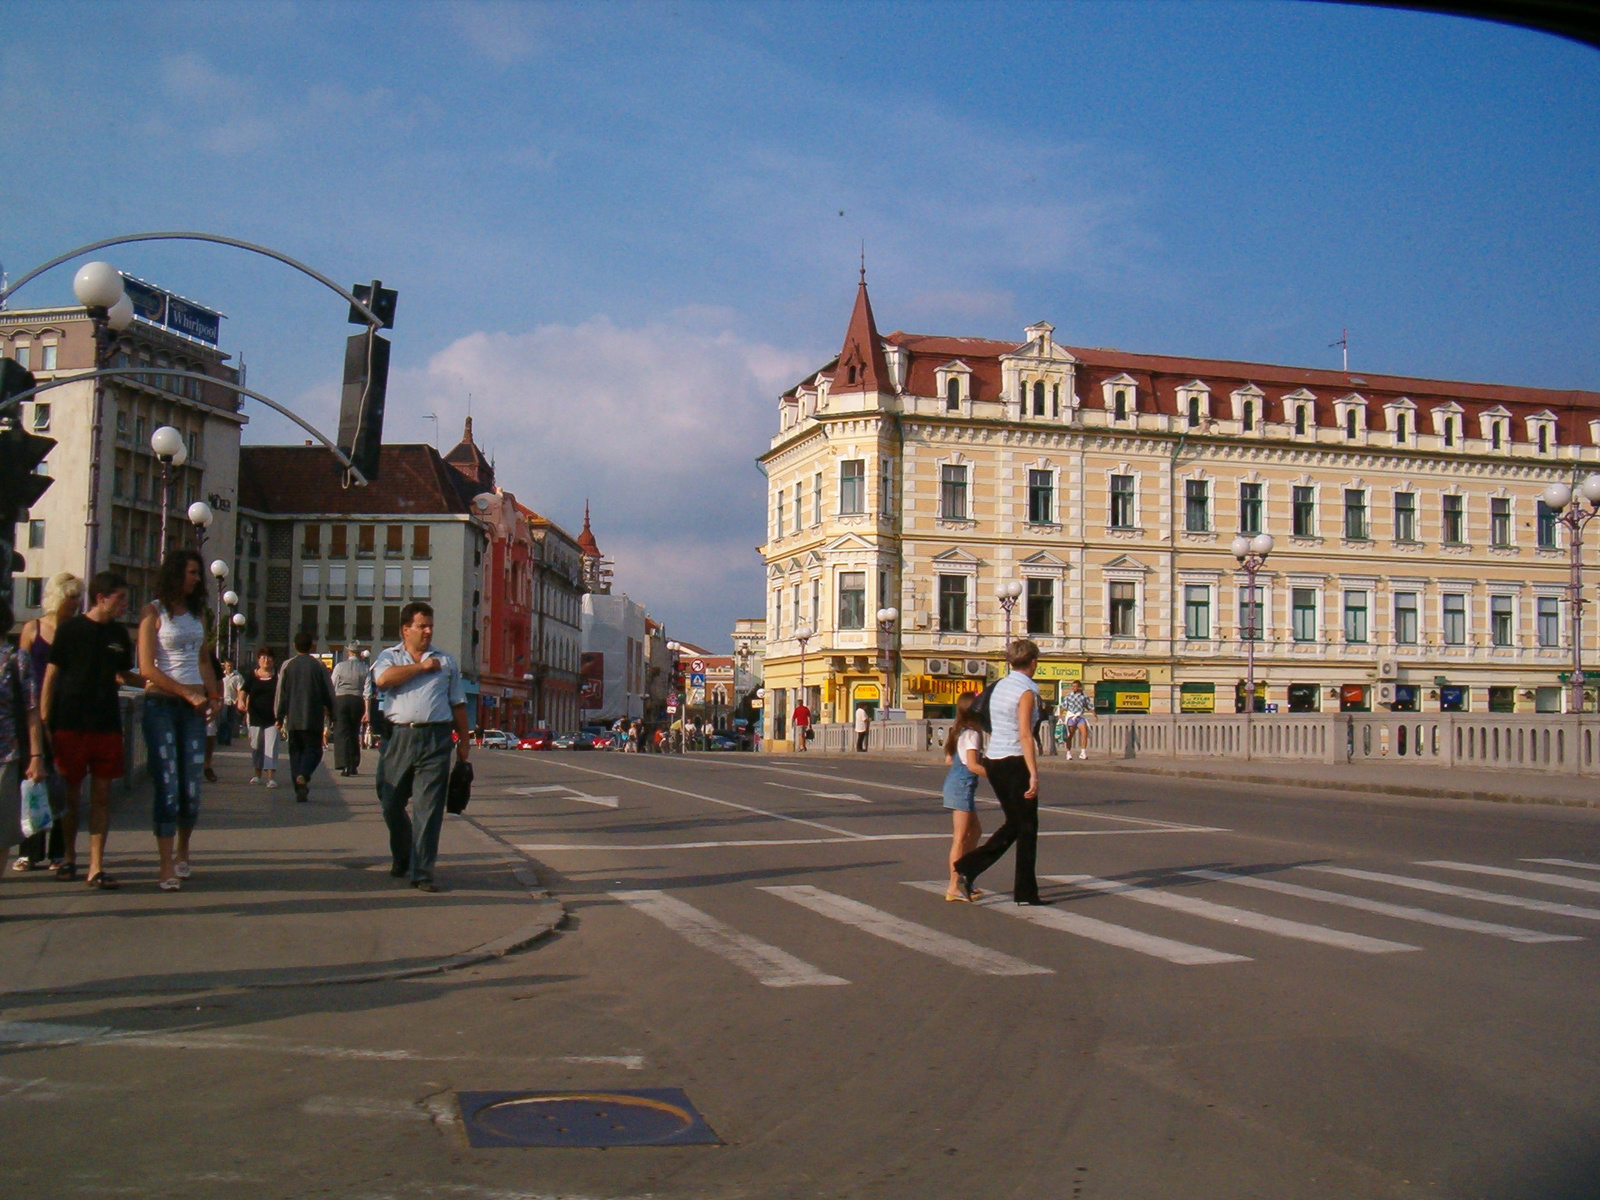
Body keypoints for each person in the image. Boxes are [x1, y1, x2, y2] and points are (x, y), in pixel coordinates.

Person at [40, 571, 139, 887]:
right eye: (120, 598)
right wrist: (44, 721)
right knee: (71, 794)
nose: (125, 604)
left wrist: (158, 683)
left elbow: (124, 674)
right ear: (101, 598)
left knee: (101, 795)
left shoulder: (120, 635)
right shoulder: (70, 630)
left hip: (107, 724)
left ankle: (96, 865)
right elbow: (51, 676)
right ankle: (69, 858)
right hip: (70, 723)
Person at [138, 550, 222, 892]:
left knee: (191, 786)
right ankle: (165, 863)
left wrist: (214, 696)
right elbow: (146, 668)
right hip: (161, 704)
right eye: (191, 572)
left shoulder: (197, 615)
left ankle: (184, 849)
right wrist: (187, 694)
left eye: (198, 573)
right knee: (168, 784)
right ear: (175, 574)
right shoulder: (152, 613)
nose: (197, 578)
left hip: (193, 710)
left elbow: (204, 660)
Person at [372, 601, 469, 893]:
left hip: (436, 739)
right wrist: (420, 667)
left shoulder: (447, 662)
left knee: (428, 809)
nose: (428, 631)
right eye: (421, 626)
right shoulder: (389, 657)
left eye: (430, 626)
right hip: (398, 738)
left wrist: (465, 741)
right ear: (405, 629)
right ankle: (403, 854)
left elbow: (458, 704)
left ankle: (423, 871)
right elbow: (383, 680)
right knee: (390, 803)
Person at [953, 639, 1045, 906]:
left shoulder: (999, 685)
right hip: (1014, 761)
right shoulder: (1026, 691)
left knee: (1015, 823)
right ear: (1033, 662)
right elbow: (1026, 734)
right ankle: (1024, 892)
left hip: (994, 760)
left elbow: (982, 715)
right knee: (1027, 828)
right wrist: (1033, 773)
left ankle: (970, 868)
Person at [14, 572, 81, 872]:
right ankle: (29, 850)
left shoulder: (77, 630)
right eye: (71, 597)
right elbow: (20, 672)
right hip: (33, 713)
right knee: (33, 778)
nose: (76, 603)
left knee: (62, 782)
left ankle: (57, 852)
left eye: (79, 597)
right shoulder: (33, 628)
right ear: (58, 597)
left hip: (66, 711)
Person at [0, 597, 47, 881]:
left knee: (1, 832)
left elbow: (32, 710)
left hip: (6, 753)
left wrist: (36, 756)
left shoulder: (17, 659)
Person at [276, 630, 336, 803]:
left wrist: (279, 715)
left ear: (294, 646)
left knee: (295, 752)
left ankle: (299, 786)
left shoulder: (288, 666)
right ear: (312, 646)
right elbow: (328, 691)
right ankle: (304, 774)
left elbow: (282, 693)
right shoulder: (319, 666)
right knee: (314, 751)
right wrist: (333, 712)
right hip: (313, 717)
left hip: (293, 718)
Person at [940, 692, 987, 902]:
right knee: (959, 838)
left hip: (957, 784)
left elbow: (949, 760)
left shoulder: (960, 732)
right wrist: (999, 775)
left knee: (975, 831)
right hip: (961, 786)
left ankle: (965, 875)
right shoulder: (971, 734)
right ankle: (953, 886)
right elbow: (973, 765)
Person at [239, 647, 281, 787]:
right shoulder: (252, 676)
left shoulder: (278, 677)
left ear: (273, 661)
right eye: (263, 657)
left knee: (271, 745)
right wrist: (240, 701)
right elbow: (243, 690)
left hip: (273, 717)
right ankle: (257, 774)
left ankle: (271, 776)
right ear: (258, 660)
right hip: (255, 715)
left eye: (269, 657)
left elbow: (283, 695)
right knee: (256, 745)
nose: (266, 660)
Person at [331, 646, 369, 776]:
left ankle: (344, 764)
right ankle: (353, 764)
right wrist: (367, 711)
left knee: (342, 731)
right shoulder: (365, 668)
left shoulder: (340, 666)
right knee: (354, 732)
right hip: (357, 700)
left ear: (348, 653)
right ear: (359, 654)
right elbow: (367, 691)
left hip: (341, 699)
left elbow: (333, 684)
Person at [1061, 680, 1092, 760]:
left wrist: (1094, 714)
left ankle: (1083, 752)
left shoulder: (1084, 696)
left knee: (1085, 733)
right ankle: (1068, 753)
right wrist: (1060, 715)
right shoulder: (1069, 696)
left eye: (1075, 686)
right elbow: (1064, 706)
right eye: (1073, 686)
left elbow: (1089, 706)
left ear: (1079, 687)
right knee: (1070, 735)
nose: (1074, 688)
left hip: (1080, 716)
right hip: (1071, 716)